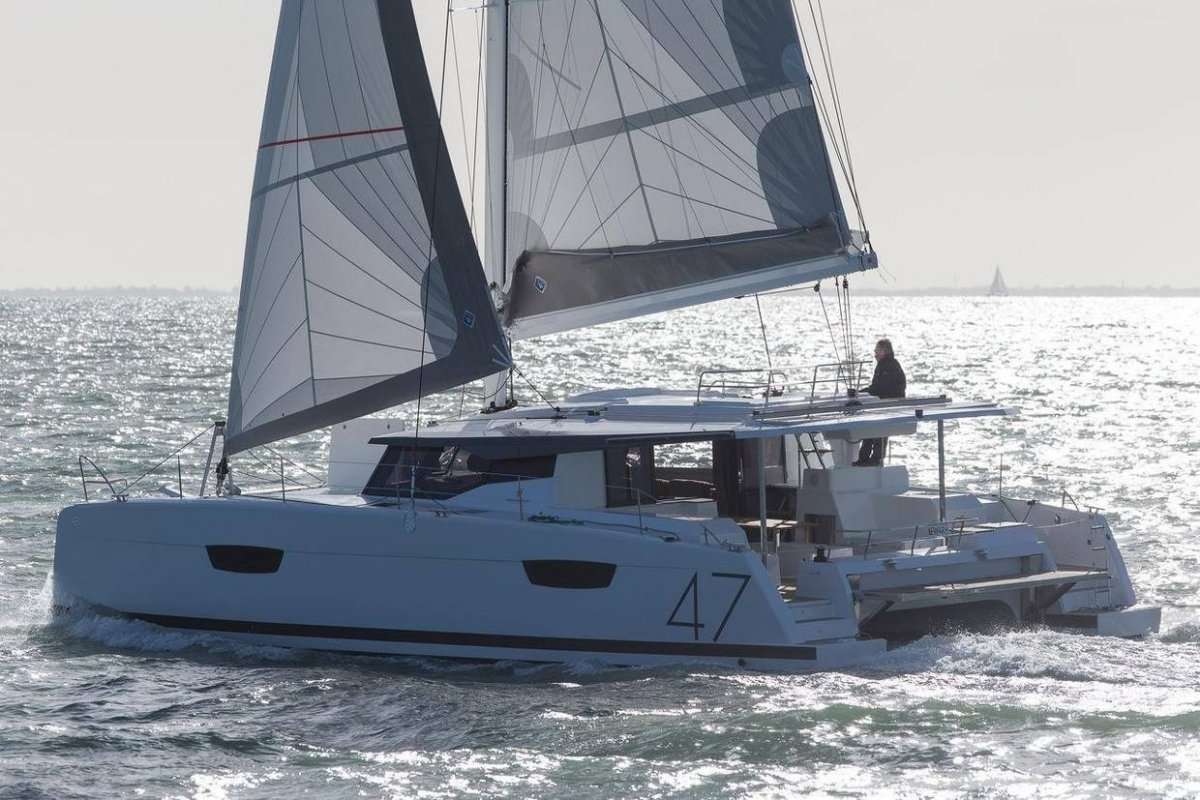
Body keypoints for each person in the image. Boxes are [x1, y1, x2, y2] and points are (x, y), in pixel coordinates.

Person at [853, 338, 906, 466]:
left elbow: (880, 387)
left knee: (878, 431)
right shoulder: (885, 364)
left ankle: (874, 459)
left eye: (877, 351)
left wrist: (861, 393)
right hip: (883, 401)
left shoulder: (889, 366)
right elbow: (877, 387)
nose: (875, 354)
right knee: (871, 428)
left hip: (888, 403)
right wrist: (862, 392)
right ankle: (864, 458)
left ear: (884, 351)